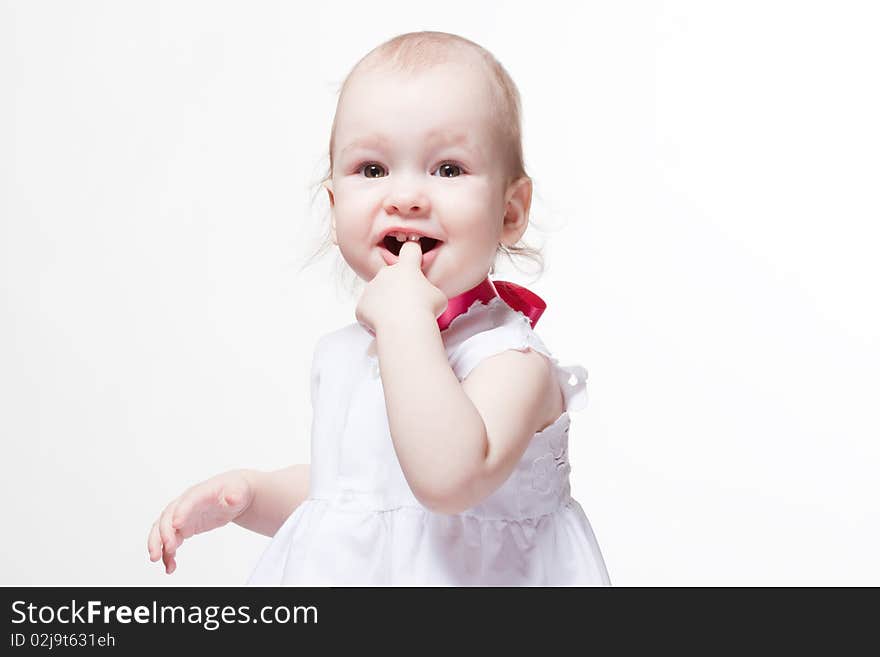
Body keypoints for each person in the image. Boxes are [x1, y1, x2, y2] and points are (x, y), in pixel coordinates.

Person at [147, 31, 611, 586]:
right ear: (336, 204)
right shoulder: (345, 354)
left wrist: (404, 322)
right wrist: (250, 495)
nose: (406, 196)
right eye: (372, 170)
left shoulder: (511, 363)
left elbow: (446, 482)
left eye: (447, 169)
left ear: (510, 212)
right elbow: (353, 501)